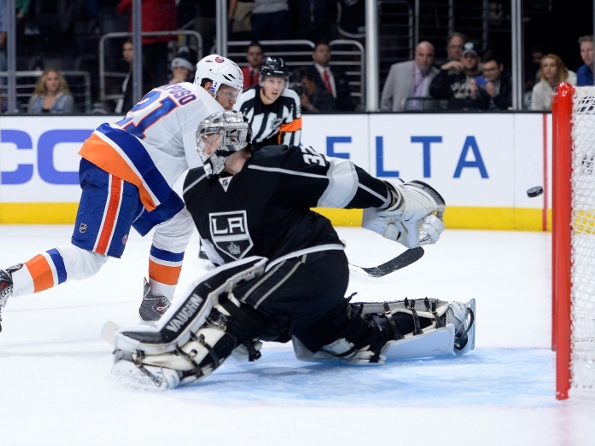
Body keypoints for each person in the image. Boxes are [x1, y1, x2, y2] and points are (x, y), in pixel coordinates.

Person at [108, 109, 475, 390]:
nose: (203, 146)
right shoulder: (195, 188)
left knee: (235, 307)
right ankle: (446, 316)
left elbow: (342, 179)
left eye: (211, 138)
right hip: (281, 282)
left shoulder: (273, 165)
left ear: (232, 139)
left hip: (313, 262)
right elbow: (223, 258)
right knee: (342, 343)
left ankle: (174, 368)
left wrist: (392, 199)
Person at [0, 55, 245, 339]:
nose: (233, 101)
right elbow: (204, 170)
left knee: (177, 220)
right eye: (229, 93)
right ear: (210, 84)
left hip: (128, 166)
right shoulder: (205, 106)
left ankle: (156, 305)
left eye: (236, 95)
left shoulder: (175, 90)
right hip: (122, 168)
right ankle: (0, 282)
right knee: (89, 258)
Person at [234, 56, 302, 149]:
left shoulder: (291, 100)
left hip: (270, 146)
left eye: (280, 82)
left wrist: (286, 159)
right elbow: (231, 140)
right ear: (261, 81)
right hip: (243, 148)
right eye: (271, 81)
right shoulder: (243, 100)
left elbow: (291, 140)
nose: (276, 87)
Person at [116, 0, 178, 87]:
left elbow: (124, 6)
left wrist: (121, 9)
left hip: (146, 31)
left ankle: (135, 98)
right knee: (159, 71)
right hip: (164, 30)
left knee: (142, 71)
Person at [380, 40, 439, 112]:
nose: (425, 59)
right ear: (415, 55)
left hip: (425, 119)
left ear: (433, 57)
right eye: (421, 55)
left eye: (429, 56)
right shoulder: (397, 70)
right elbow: (386, 99)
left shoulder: (437, 75)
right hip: (400, 117)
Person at [429, 42, 489, 110]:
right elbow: (434, 92)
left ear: (478, 59)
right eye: (466, 57)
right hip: (453, 116)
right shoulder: (454, 78)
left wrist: (474, 96)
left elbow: (485, 103)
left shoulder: (482, 78)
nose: (469, 59)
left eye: (472, 56)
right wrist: (443, 70)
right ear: (461, 59)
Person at [307, 41, 355, 112]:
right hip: (317, 112)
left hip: (339, 112)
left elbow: (346, 94)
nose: (325, 53)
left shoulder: (339, 72)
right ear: (314, 55)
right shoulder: (307, 72)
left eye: (328, 51)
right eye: (321, 51)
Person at [115, 39, 155, 114]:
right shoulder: (128, 70)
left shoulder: (141, 73)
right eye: (124, 50)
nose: (127, 53)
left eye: (130, 49)